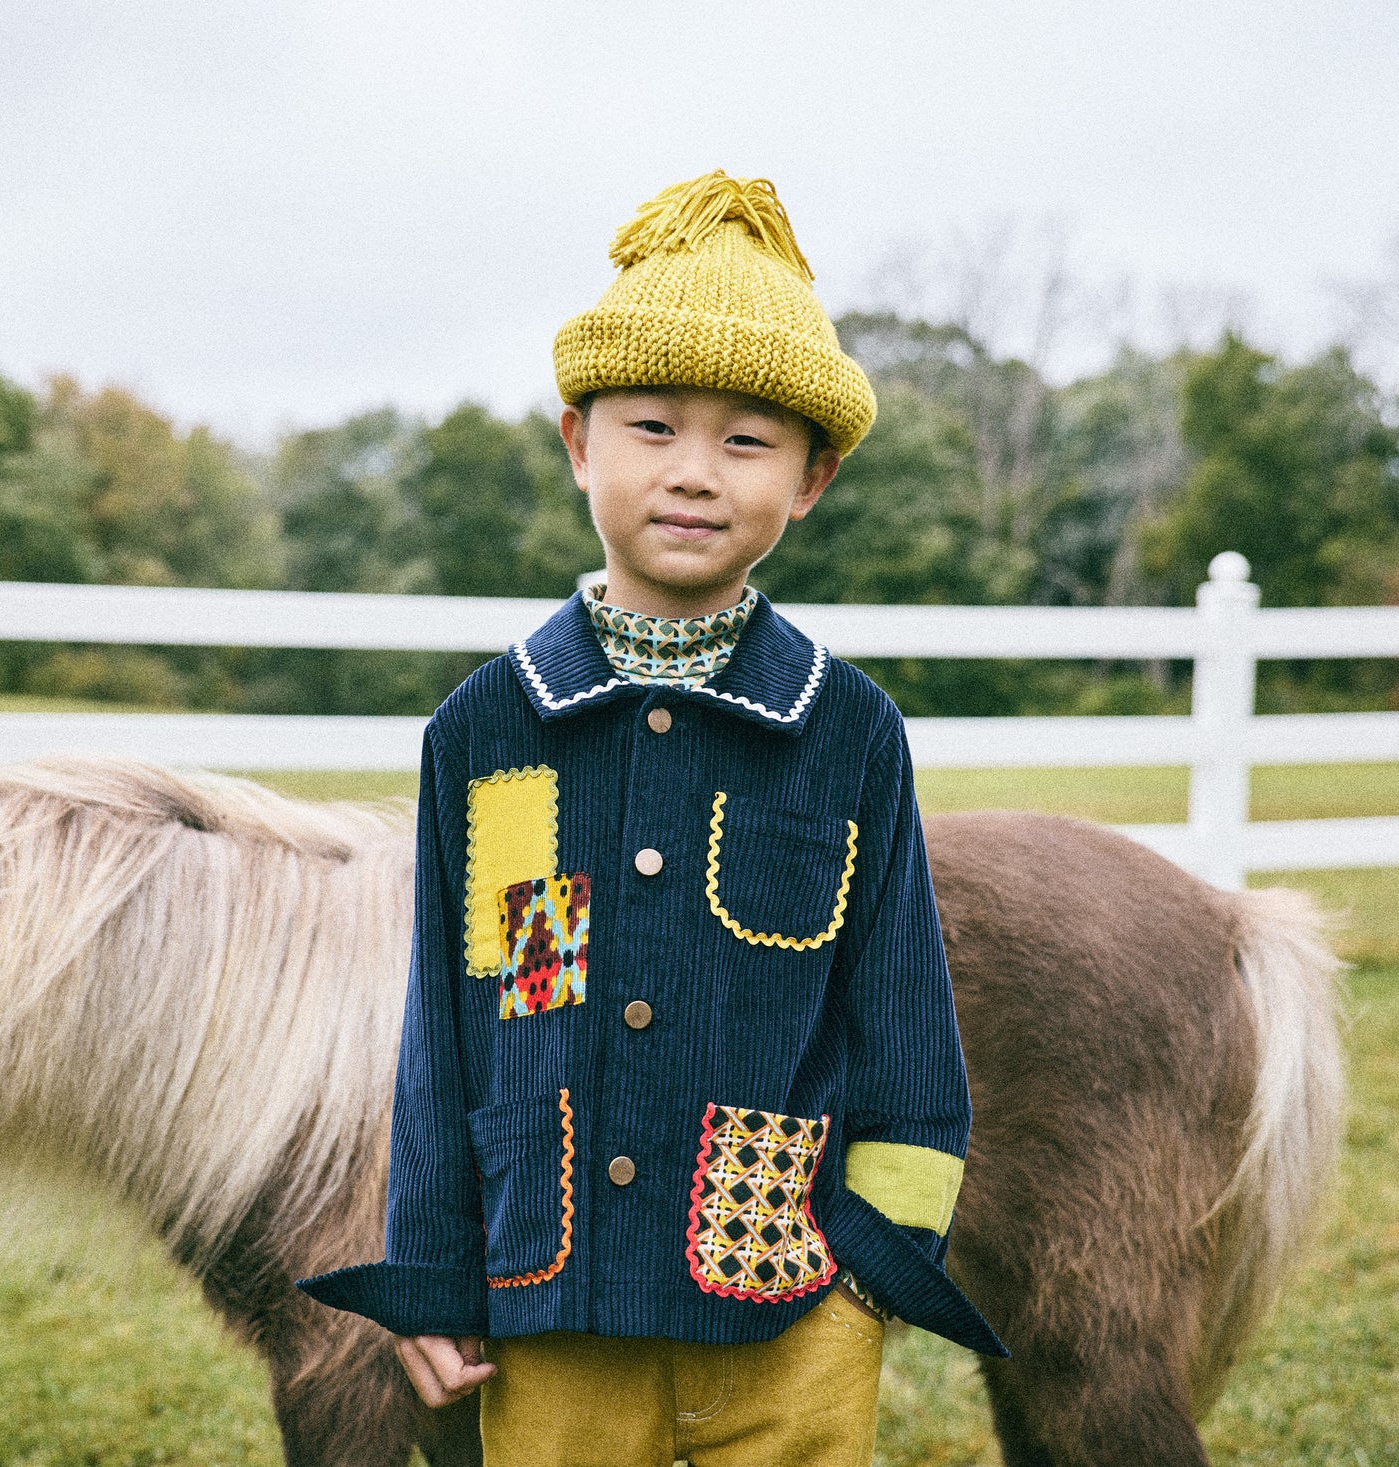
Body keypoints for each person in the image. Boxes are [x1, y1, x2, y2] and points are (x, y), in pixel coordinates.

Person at [300, 170, 1003, 1466]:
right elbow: (451, 1026)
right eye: (652, 428)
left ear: (812, 480)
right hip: (547, 1298)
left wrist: (876, 1269)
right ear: (578, 444)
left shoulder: (848, 732)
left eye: (747, 441)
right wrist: (434, 1268)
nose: (694, 473)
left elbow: (903, 1018)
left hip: (790, 1303)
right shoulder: (488, 729)